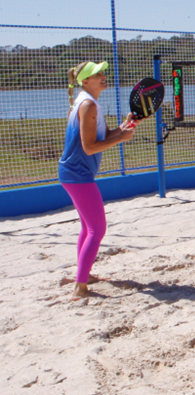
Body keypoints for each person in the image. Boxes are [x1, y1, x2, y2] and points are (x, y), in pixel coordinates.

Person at [58, 61, 137, 298]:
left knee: (87, 228)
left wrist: (125, 126)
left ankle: (85, 275)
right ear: (85, 81)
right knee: (97, 229)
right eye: (97, 74)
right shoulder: (88, 105)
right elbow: (90, 147)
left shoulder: (86, 102)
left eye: (102, 72)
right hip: (78, 176)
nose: (103, 76)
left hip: (72, 174)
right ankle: (80, 288)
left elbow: (101, 136)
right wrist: (121, 138)